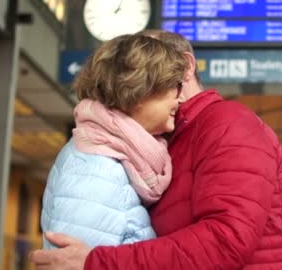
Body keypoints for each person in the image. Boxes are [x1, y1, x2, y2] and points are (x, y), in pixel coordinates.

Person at [31, 30, 282, 269]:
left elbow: (226, 240)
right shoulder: (146, 146)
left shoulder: (228, 125)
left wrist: (99, 263)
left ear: (185, 68)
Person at [40, 33, 187, 248]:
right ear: (140, 91)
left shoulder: (115, 155)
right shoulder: (94, 168)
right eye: (174, 85)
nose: (180, 98)